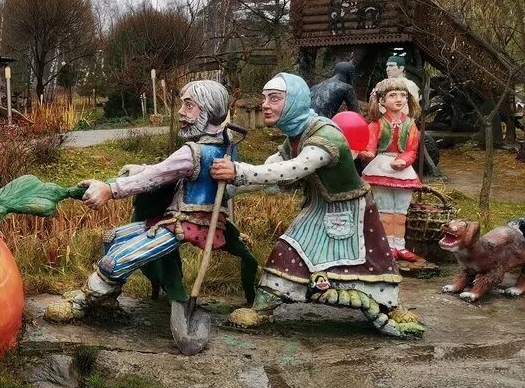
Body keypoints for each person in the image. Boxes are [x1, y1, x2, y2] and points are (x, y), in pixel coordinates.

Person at [44, 80, 258, 347]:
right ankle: (108, 300)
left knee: (118, 257)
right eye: (182, 104)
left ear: (209, 111)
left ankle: (87, 300)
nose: (180, 111)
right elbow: (164, 170)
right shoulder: (224, 144)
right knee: (114, 237)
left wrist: (110, 189)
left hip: (186, 224)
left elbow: (158, 175)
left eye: (189, 106)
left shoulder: (193, 152)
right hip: (192, 221)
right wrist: (143, 167)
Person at [211, 73, 424, 339]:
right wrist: (228, 189)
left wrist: (238, 171)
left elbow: (291, 171)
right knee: (289, 250)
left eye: (274, 98)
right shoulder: (296, 136)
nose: (265, 104)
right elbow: (270, 169)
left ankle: (390, 304)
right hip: (319, 207)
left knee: (370, 261)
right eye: (265, 97)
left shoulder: (324, 136)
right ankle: (264, 306)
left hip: (351, 210)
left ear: (295, 101)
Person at [360, 79, 424, 262]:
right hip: (382, 168)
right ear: (381, 100)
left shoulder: (410, 124)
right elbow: (370, 149)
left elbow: (412, 149)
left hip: (402, 170)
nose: (399, 99)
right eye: (393, 95)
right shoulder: (376, 124)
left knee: (401, 212)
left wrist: (403, 160)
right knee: (385, 211)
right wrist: (360, 151)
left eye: (403, 95)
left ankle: (400, 245)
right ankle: (386, 245)